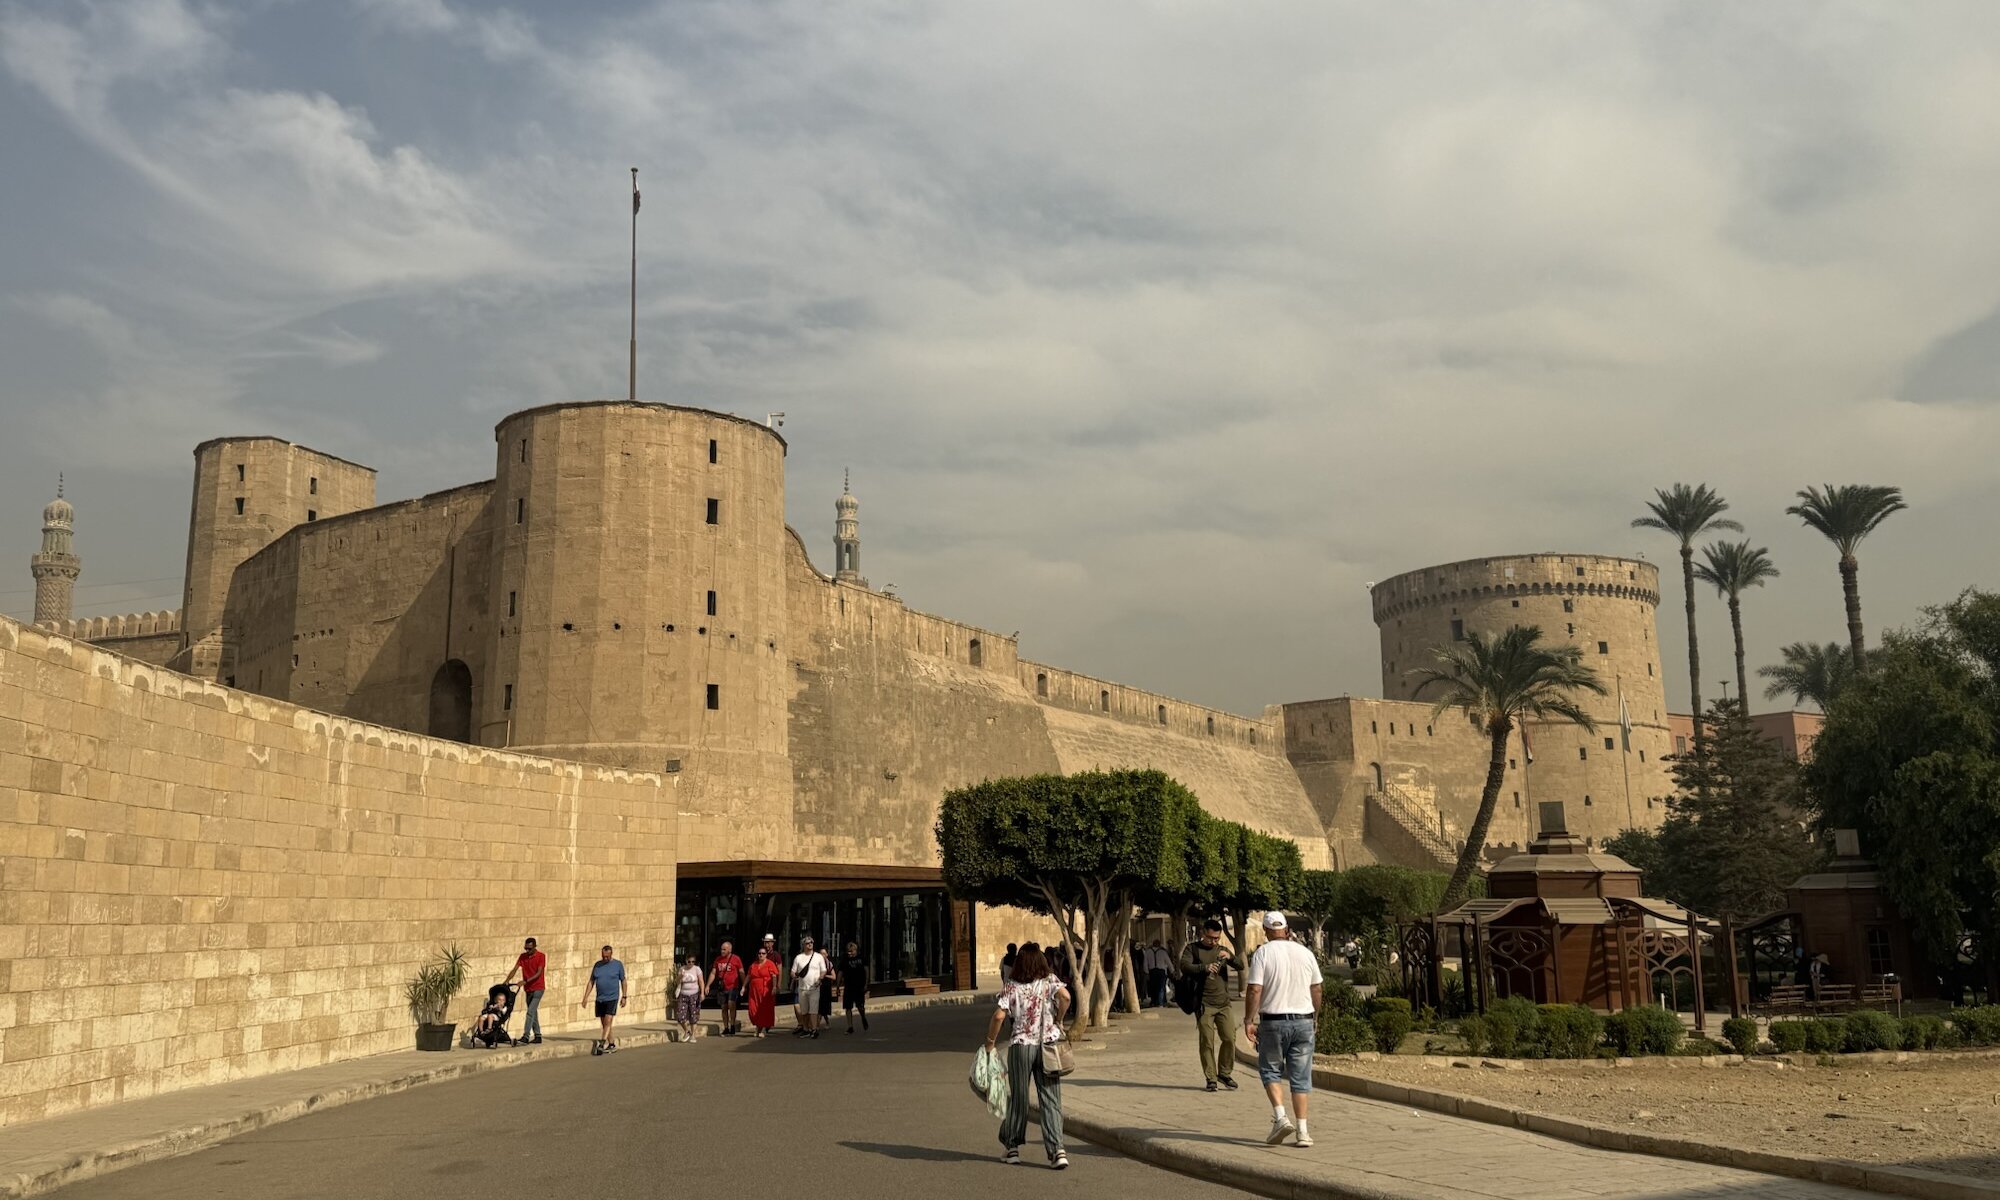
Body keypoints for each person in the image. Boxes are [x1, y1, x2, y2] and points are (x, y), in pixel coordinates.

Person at [984, 943, 1071, 1169]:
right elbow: (1066, 997)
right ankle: (1057, 1151)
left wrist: (990, 1043)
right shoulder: (1050, 981)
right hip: (1047, 1046)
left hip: (1021, 1046)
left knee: (1020, 1098)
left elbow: (998, 1016)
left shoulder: (1011, 986)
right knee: (1051, 1098)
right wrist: (1059, 1019)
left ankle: (1012, 1147)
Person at [1244, 912, 1323, 1148]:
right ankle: (1303, 1131)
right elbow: (1317, 988)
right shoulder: (1305, 952)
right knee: (1300, 1077)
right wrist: (1315, 1017)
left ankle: (1280, 1117)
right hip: (1303, 1020)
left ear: (1266, 931)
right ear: (1287, 929)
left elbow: (1255, 990)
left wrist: (1249, 1019)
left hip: (1273, 1021)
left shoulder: (1263, 953)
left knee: (1270, 1070)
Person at [1178, 920, 1238, 1092]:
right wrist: (1205, 967)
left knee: (1229, 1039)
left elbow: (1240, 965)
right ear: (1203, 933)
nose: (1214, 942)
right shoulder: (1193, 949)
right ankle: (1211, 1078)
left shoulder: (1222, 950)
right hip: (1204, 1004)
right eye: (1211, 938)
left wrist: (1231, 957)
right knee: (1207, 1042)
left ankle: (1224, 1073)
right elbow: (1184, 966)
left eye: (1217, 938)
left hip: (1224, 1003)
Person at [579, 943, 627, 1054]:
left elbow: (623, 981)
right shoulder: (597, 965)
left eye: (607, 956)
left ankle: (601, 1044)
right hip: (600, 998)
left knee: (608, 1020)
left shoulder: (618, 965)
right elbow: (591, 981)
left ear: (611, 954)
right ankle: (612, 1044)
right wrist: (585, 997)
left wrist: (624, 996)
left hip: (612, 997)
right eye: (603, 956)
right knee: (605, 1023)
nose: (605, 958)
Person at [502, 935, 547, 1045]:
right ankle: (538, 1036)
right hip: (528, 989)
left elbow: (539, 973)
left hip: (538, 988)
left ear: (535, 947)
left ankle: (525, 1036)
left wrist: (525, 981)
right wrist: (506, 981)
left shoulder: (541, 956)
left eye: (529, 949)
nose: (527, 951)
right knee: (533, 1012)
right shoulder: (523, 957)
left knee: (530, 1012)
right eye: (525, 948)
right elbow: (515, 969)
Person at [792, 936, 825, 1038]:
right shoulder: (798, 958)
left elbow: (823, 970)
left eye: (811, 942)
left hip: (814, 988)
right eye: (807, 943)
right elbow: (793, 972)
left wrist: (820, 979)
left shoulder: (818, 957)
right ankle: (806, 1029)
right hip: (802, 988)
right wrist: (795, 977)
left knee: (813, 1010)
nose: (810, 944)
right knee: (804, 1011)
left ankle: (814, 1030)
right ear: (803, 945)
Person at [710, 941, 745, 1036]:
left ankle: (732, 1025)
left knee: (731, 1004)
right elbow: (713, 973)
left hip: (733, 986)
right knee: (724, 1007)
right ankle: (726, 1027)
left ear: (730, 950)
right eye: (721, 949)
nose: (722, 951)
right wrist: (707, 985)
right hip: (722, 987)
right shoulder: (718, 960)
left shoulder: (736, 959)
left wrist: (744, 985)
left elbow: (741, 972)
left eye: (724, 949)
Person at [746, 945, 781, 1037]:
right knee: (753, 1009)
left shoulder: (770, 964)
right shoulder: (753, 964)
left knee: (764, 1009)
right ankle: (758, 1027)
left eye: (763, 953)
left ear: (766, 955)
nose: (761, 955)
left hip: (765, 990)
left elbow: (774, 976)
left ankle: (762, 1029)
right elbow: (749, 976)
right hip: (754, 991)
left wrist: (774, 987)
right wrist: (743, 987)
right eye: (759, 953)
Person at [672, 953, 706, 1043]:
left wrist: (702, 993)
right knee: (680, 1015)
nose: (690, 963)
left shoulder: (697, 969)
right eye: (689, 961)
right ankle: (687, 1031)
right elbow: (677, 981)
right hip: (683, 994)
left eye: (693, 962)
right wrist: (680, 976)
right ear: (686, 960)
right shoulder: (682, 969)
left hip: (694, 994)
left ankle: (693, 1035)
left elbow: (701, 981)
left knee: (693, 1015)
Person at [840, 940, 870, 1033]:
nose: (849, 953)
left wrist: (866, 984)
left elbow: (866, 970)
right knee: (848, 1007)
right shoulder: (844, 960)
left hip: (859, 986)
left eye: (851, 951)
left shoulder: (861, 958)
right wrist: (837, 985)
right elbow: (840, 972)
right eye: (848, 951)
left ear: (855, 950)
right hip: (848, 986)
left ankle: (863, 1017)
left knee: (860, 1006)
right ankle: (850, 1027)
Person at [1144, 939, 1173, 1009]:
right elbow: (1169, 963)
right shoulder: (1163, 952)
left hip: (1152, 971)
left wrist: (1146, 972)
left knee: (1153, 987)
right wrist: (1172, 971)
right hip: (1161, 971)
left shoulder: (1148, 952)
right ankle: (1160, 1003)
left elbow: (1145, 963)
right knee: (1161, 987)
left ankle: (1154, 1001)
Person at [816, 943, 836, 1028]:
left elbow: (834, 977)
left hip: (826, 987)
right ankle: (818, 1023)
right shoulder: (816, 964)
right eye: (821, 953)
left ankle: (819, 1024)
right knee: (819, 1006)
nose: (822, 955)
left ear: (827, 954)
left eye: (824, 953)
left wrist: (825, 975)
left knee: (824, 1006)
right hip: (818, 987)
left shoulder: (829, 964)